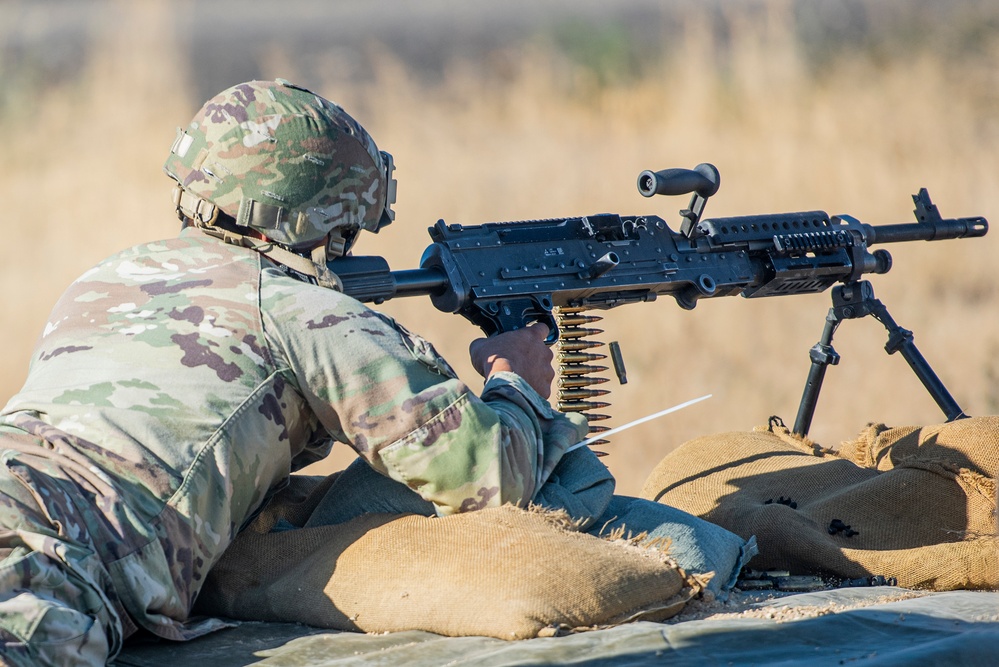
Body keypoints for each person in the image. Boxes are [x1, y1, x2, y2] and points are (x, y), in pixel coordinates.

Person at [0, 79, 752, 666]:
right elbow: (486, 474)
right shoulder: (302, 311)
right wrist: (515, 381)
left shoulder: (108, 277)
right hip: (45, 563)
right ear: (326, 216)